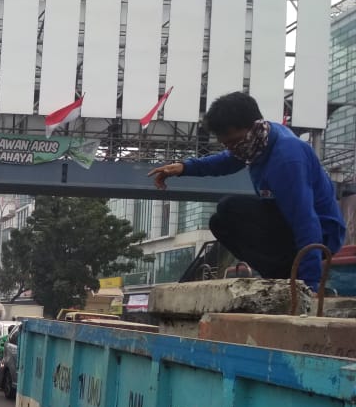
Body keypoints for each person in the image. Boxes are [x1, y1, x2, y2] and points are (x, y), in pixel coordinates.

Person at [148, 91, 345, 290]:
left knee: (230, 208)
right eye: (226, 144)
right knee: (219, 222)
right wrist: (185, 167)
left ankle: (294, 278)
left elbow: (305, 221)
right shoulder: (256, 142)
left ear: (253, 126)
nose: (232, 149)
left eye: (233, 142)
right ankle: (280, 274)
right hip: (286, 223)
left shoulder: (286, 159)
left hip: (321, 235)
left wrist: (310, 286)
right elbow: (226, 161)